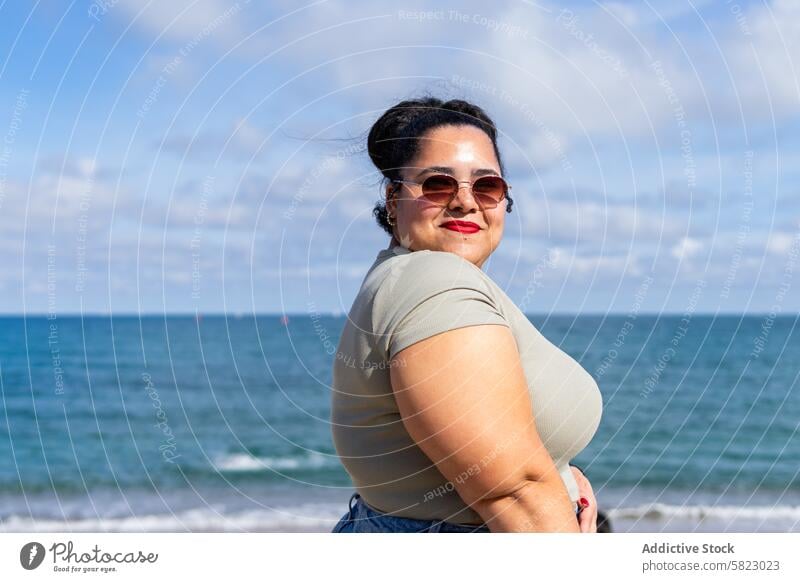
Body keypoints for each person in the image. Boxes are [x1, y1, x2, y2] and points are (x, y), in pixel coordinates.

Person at [330, 96, 603, 533]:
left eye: (486, 186)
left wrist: (563, 475)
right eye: (438, 184)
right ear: (394, 199)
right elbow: (513, 491)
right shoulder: (433, 283)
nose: (464, 201)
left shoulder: (423, 277)